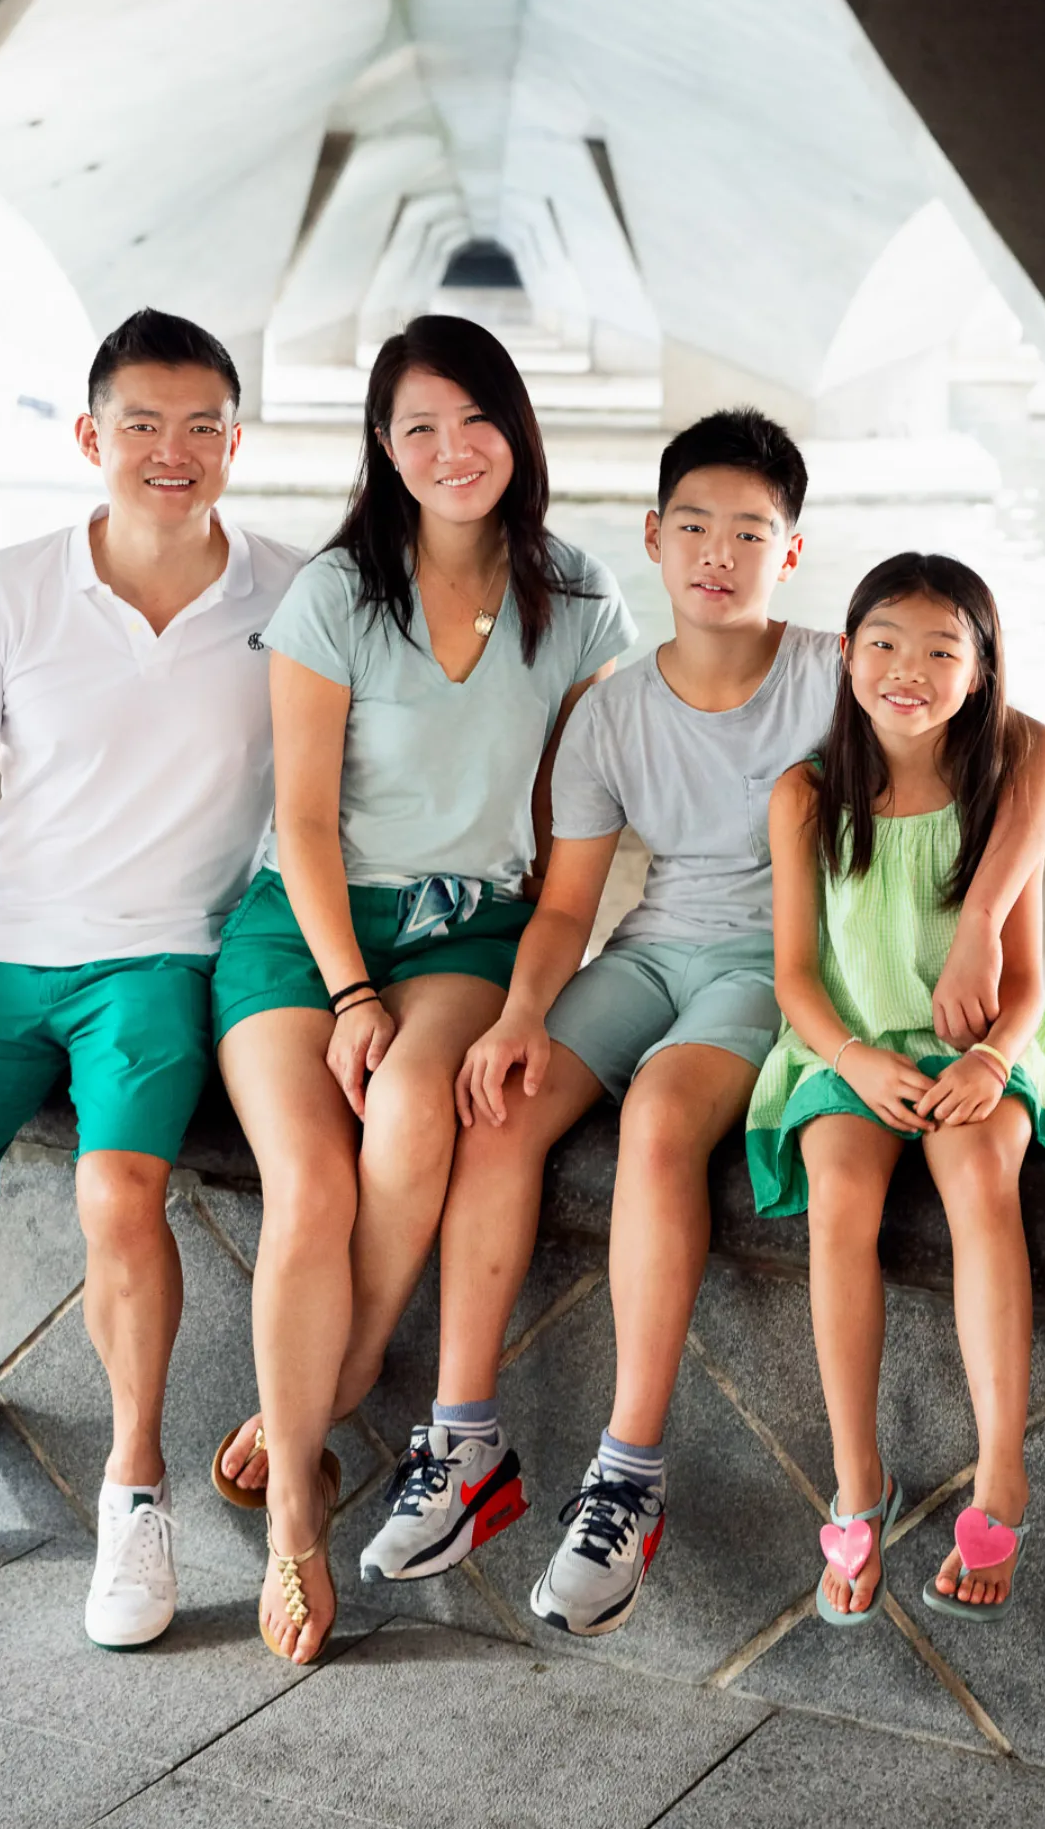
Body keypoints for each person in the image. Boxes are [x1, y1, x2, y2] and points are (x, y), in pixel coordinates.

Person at [358, 411, 1045, 1639]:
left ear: (791, 553)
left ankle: (627, 1476)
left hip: (773, 974)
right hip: (650, 948)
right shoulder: (613, 711)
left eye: (751, 532)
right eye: (694, 524)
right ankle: (464, 1439)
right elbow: (571, 905)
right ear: (652, 535)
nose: (718, 552)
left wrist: (981, 922)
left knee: (657, 1120)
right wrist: (520, 1013)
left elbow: (1040, 752)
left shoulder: (848, 666)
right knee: (500, 1107)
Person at [0, 309, 302, 1649]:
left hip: (164, 955)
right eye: (144, 423)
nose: (175, 449)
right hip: (0, 948)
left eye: (204, 425)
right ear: (92, 435)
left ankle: (133, 1487)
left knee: (119, 1197)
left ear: (235, 441)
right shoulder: (9, 587)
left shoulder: (292, 593)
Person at [209, 314, 635, 1666]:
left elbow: (572, 848)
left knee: (413, 1115)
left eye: (475, 419)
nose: (453, 450)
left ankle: (319, 1398)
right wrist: (348, 993)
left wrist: (526, 1001)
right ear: (385, 449)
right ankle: (297, 1517)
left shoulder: (581, 600)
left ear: (517, 426)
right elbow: (303, 820)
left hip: (469, 933)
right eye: (418, 428)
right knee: (309, 1183)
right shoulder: (337, 592)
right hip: (308, 930)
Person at [749, 552, 1045, 1630]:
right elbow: (794, 977)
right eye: (883, 643)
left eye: (941, 650)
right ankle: (856, 1477)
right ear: (846, 653)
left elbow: (1027, 978)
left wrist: (993, 1058)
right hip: (849, 1048)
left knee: (979, 1178)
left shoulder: (1003, 793)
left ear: (981, 668)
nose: (906, 669)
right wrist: (853, 1059)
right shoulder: (805, 796)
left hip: (981, 1052)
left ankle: (1002, 1469)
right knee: (839, 1199)